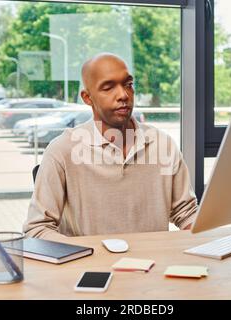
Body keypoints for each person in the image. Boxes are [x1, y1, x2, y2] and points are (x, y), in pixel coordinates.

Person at [23, 53, 197, 239]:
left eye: (128, 85)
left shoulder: (163, 144)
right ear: (87, 98)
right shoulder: (62, 150)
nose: (123, 95)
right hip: (90, 264)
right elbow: (37, 229)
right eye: (108, 88)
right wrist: (81, 254)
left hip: (153, 264)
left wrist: (211, 235)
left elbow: (186, 213)